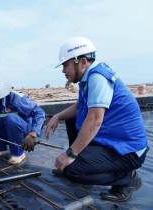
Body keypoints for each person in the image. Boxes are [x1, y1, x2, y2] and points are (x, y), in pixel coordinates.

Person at [45, 37, 148, 202]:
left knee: (73, 172)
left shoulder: (98, 77)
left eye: (65, 65)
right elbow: (80, 106)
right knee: (73, 119)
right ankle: (75, 161)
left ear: (82, 62)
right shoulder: (88, 77)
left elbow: (94, 120)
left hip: (129, 150)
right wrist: (57, 116)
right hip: (114, 141)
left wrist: (70, 154)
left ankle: (127, 179)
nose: (63, 71)